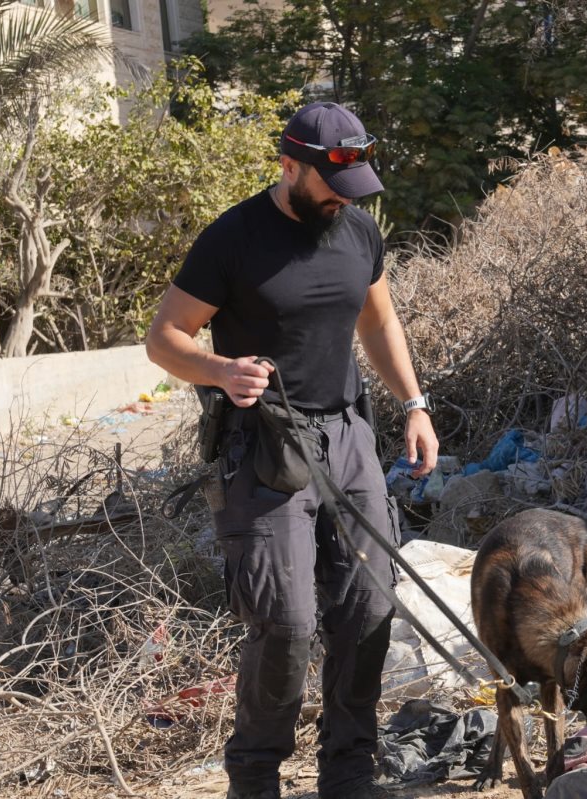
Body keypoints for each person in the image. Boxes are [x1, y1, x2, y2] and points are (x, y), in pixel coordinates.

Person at [146, 101, 438, 799]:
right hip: (266, 447)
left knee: (369, 606)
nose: (345, 199)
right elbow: (164, 337)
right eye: (334, 185)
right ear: (290, 166)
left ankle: (348, 772)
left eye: (356, 185)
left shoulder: (358, 229)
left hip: (347, 437)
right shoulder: (234, 238)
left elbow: (381, 319)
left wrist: (415, 403)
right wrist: (220, 370)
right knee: (286, 622)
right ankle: (255, 778)